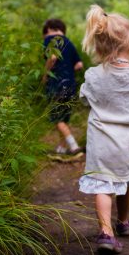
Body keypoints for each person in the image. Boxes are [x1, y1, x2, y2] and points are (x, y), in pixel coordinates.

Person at [78, 5, 129, 254]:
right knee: (125, 180)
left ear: (100, 45)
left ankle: (106, 233)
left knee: (103, 185)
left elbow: (84, 99)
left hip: (101, 144)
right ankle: (123, 222)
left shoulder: (94, 75)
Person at [42, 18, 84, 156]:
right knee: (64, 118)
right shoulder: (69, 43)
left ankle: (73, 146)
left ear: (48, 29)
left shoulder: (50, 40)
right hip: (70, 84)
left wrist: (45, 74)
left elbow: (52, 58)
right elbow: (79, 65)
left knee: (56, 117)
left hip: (56, 84)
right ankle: (61, 147)